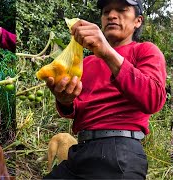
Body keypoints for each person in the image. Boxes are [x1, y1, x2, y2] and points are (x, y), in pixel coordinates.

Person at [43, 0, 167, 179]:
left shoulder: (145, 51)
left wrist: (108, 53)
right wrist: (65, 101)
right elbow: (75, 109)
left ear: (138, 21)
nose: (111, 15)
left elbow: (154, 99)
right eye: (106, 11)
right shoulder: (86, 63)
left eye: (122, 10)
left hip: (120, 154)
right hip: (81, 150)